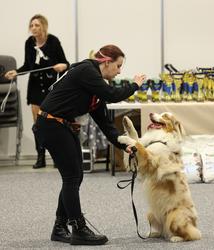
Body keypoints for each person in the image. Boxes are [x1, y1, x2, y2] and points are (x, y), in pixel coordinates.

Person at [34, 44, 146, 245]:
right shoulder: (86, 70)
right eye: (118, 66)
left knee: (75, 177)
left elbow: (106, 124)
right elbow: (112, 94)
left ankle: (60, 227)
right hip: (50, 124)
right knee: (72, 177)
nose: (120, 71)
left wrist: (124, 145)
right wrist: (135, 85)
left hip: (61, 125)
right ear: (106, 62)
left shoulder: (94, 87)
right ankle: (78, 229)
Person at [5, 14, 69, 169]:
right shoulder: (29, 43)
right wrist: (16, 71)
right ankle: (40, 157)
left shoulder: (53, 41)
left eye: (37, 25)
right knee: (38, 125)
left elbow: (65, 63)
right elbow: (28, 65)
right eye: (32, 25)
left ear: (44, 27)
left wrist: (62, 66)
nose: (33, 28)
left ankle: (56, 156)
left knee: (54, 123)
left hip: (51, 87)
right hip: (34, 87)